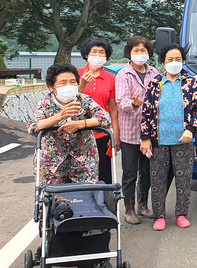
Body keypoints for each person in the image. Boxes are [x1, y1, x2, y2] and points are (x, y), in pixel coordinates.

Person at [140, 44, 197, 231]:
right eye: (170, 59)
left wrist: (191, 129)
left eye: (178, 59)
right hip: (158, 141)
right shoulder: (155, 83)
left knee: (183, 180)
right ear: (162, 63)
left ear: (183, 61)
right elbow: (146, 112)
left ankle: (181, 214)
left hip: (183, 140)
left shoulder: (191, 83)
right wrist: (145, 138)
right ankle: (159, 216)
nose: (174, 62)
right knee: (157, 180)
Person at [27, 63, 111, 185]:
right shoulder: (45, 103)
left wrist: (80, 124)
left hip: (83, 156)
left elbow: (105, 119)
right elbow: (33, 127)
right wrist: (60, 116)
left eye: (73, 82)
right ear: (51, 87)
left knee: (85, 195)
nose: (69, 86)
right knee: (49, 197)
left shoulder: (84, 100)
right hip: (52, 158)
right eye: (63, 83)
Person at [115, 36, 159, 224]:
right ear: (129, 53)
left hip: (149, 132)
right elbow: (121, 102)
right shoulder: (123, 75)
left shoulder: (155, 72)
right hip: (130, 133)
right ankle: (129, 209)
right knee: (130, 172)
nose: (140, 54)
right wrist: (133, 103)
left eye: (143, 50)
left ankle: (143, 205)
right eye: (136, 51)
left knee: (147, 170)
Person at [78, 37, 120, 184]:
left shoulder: (110, 79)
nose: (98, 56)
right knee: (81, 173)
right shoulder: (76, 75)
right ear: (86, 55)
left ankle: (105, 205)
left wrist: (115, 134)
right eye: (94, 52)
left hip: (103, 133)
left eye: (102, 53)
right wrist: (81, 84)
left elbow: (113, 109)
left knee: (104, 174)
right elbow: (69, 101)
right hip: (80, 133)